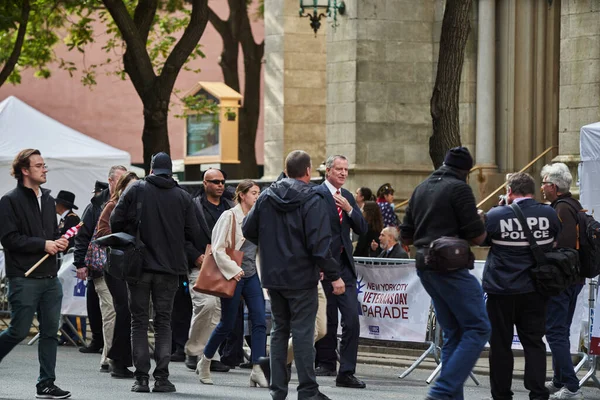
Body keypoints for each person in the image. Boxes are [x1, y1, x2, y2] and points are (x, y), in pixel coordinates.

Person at [243, 150, 344, 400]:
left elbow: (247, 228)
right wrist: (335, 275)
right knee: (301, 332)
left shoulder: (267, 196)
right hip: (301, 275)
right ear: (308, 171)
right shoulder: (313, 198)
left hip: (273, 275)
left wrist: (269, 245)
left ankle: (278, 390)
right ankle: (308, 390)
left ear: (286, 170)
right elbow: (320, 245)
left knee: (278, 330)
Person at [400, 146, 490, 400]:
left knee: (454, 332)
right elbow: (478, 236)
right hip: (450, 267)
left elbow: (405, 234)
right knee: (479, 327)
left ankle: (451, 396)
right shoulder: (459, 189)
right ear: (466, 171)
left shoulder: (421, 188)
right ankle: (441, 392)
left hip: (425, 267)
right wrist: (480, 220)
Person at [111, 152, 202, 393]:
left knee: (138, 322)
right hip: (170, 269)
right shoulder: (183, 197)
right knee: (164, 322)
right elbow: (194, 233)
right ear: (171, 171)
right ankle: (162, 377)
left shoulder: (136, 189)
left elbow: (114, 221)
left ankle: (141, 379)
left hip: (139, 266)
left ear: (151, 169)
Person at [482, 172, 560, 400]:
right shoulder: (549, 214)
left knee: (500, 345)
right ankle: (537, 392)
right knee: (534, 342)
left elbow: (483, 240)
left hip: (501, 290)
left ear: (509, 191)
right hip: (535, 290)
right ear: (533, 191)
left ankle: (502, 394)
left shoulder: (496, 215)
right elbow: (554, 239)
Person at [0, 149, 71, 399]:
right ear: (25, 170)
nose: (45, 169)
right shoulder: (9, 201)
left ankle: (46, 384)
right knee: (18, 331)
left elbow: (51, 234)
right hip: (23, 277)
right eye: (39, 166)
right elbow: (9, 238)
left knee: (51, 332)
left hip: (50, 278)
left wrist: (60, 242)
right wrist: (43, 244)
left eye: (44, 165)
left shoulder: (49, 200)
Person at [197, 180, 268, 387]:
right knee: (227, 324)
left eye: (258, 193)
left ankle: (257, 369)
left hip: (252, 275)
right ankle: (205, 360)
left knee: (260, 321)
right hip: (233, 275)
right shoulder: (229, 216)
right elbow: (218, 248)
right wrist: (234, 270)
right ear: (242, 195)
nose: (257, 196)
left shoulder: (259, 218)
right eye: (254, 193)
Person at [314, 155, 368, 389]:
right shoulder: (316, 195)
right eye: (339, 169)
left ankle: (346, 372)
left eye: (346, 169)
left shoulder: (346, 197)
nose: (344, 173)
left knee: (351, 321)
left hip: (345, 267)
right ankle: (324, 362)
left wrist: (350, 210)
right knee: (323, 321)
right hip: (323, 267)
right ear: (328, 171)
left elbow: (362, 229)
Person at [75, 166, 128, 375]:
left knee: (119, 311)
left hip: (124, 267)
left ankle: (114, 355)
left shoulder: (130, 201)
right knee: (111, 311)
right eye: (121, 180)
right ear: (110, 181)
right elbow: (82, 235)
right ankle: (108, 357)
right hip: (102, 266)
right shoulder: (97, 205)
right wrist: (80, 263)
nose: (124, 185)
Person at [541, 163, 585, 400]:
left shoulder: (561, 209)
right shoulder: (573, 205)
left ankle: (571, 386)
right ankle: (559, 380)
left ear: (554, 187)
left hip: (563, 281)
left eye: (545, 183)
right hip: (573, 280)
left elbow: (563, 246)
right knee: (561, 331)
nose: (542, 187)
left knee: (555, 332)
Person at [184, 168, 234, 373]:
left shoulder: (230, 207)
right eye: (215, 181)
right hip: (200, 264)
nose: (220, 185)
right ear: (205, 183)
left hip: (224, 265)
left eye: (222, 181)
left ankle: (209, 355)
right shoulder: (192, 206)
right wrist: (195, 255)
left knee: (217, 311)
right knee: (206, 305)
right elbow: (182, 235)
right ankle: (194, 350)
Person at [96, 172, 138, 376]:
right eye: (130, 187)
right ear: (122, 188)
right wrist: (122, 235)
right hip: (115, 265)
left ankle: (120, 358)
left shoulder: (139, 208)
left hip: (132, 264)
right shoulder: (112, 206)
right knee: (124, 309)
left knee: (129, 310)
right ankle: (116, 359)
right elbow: (101, 232)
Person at [55, 190, 86, 347]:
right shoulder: (64, 219)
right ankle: (66, 333)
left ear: (61, 204)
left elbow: (70, 239)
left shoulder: (73, 220)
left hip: (72, 263)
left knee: (75, 298)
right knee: (66, 297)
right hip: (65, 263)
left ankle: (77, 333)